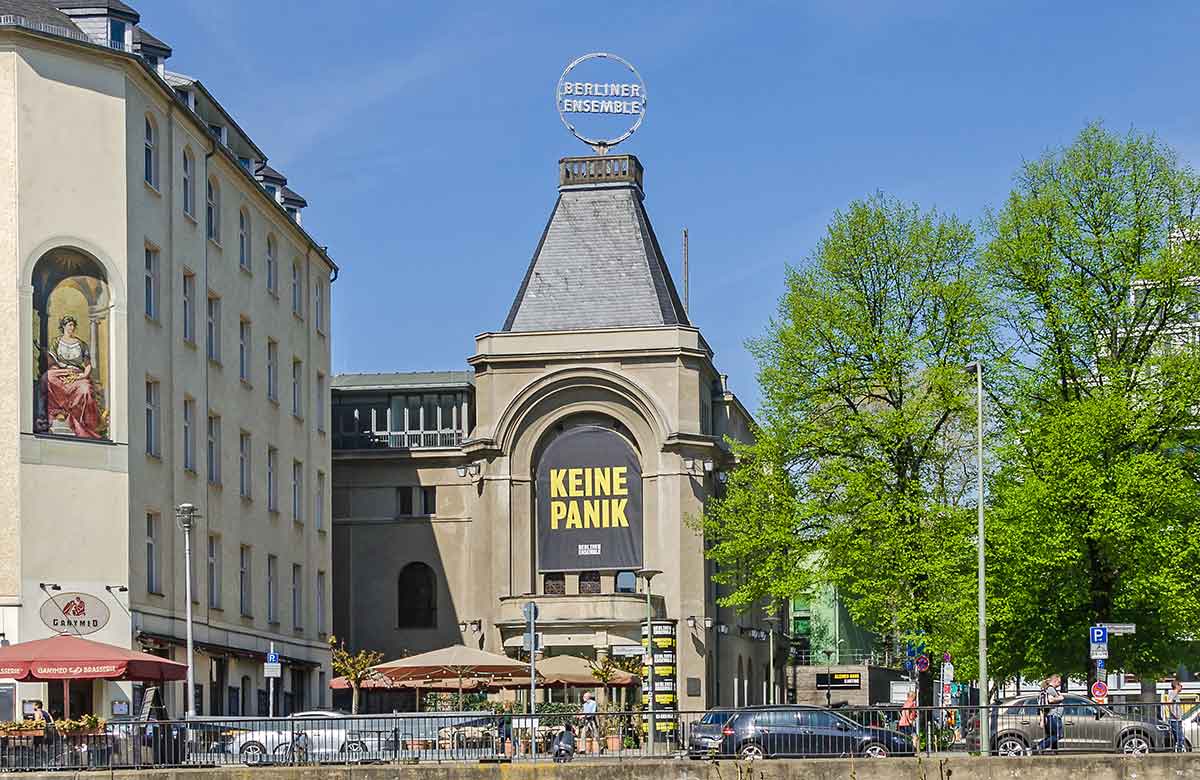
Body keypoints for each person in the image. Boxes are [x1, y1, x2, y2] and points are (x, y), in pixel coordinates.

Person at [40, 315, 103, 438]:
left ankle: (81, 422)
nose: (72, 328)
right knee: (47, 378)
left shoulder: (81, 344)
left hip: (77, 373)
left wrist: (82, 376)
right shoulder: (56, 342)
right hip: (60, 371)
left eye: (73, 325)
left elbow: (88, 365)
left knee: (85, 390)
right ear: (63, 326)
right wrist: (57, 369)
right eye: (69, 325)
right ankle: (60, 411)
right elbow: (51, 361)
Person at [1036, 675, 1064, 754]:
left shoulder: (1049, 689)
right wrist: (1061, 698)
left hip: (1050, 716)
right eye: (1059, 681)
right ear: (1055, 681)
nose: (1060, 683)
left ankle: (1054, 752)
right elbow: (1050, 700)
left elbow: (1043, 706)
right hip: (1053, 716)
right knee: (1058, 735)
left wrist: (1042, 719)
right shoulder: (1051, 689)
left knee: (1052, 735)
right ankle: (1040, 746)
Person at [1167, 679, 1185, 753]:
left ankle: (1178, 751)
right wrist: (1174, 715)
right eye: (1180, 685)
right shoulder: (1174, 693)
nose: (1181, 687)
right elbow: (1168, 703)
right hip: (1175, 720)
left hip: (1177, 719)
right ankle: (1179, 752)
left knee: (1178, 737)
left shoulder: (1175, 694)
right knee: (1179, 737)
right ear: (1176, 686)